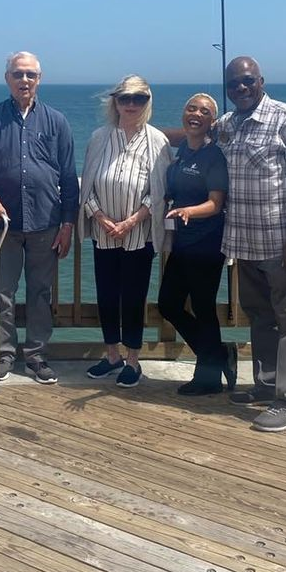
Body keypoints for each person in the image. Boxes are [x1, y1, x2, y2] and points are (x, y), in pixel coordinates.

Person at [216, 56, 286, 433]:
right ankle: (266, 385)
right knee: (261, 318)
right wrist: (146, 132)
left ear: (261, 80)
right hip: (246, 242)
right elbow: (194, 134)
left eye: (247, 81)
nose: (240, 89)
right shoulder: (227, 126)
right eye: (233, 85)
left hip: (284, 244)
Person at [0, 51, 78, 384]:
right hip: (4, 226)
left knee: (40, 293)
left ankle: (36, 355)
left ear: (39, 78)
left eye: (30, 74)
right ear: (8, 79)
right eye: (18, 74)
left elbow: (69, 177)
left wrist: (68, 225)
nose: (24, 80)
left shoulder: (56, 121)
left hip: (47, 223)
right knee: (2, 293)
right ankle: (4, 355)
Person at [78, 76, 170, 388]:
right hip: (103, 233)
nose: (131, 104)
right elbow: (87, 184)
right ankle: (112, 355)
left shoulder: (157, 141)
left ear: (148, 102)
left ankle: (133, 358)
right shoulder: (99, 137)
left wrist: (131, 221)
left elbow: (158, 192)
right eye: (125, 98)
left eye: (139, 99)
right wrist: (100, 217)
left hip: (138, 235)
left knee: (133, 297)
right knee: (106, 296)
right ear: (115, 101)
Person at [157, 93, 235, 395]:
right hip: (183, 242)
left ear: (211, 122)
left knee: (203, 308)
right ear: (183, 114)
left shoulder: (214, 156)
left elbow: (216, 203)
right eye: (191, 108)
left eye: (204, 112)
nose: (196, 114)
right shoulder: (183, 153)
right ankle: (217, 354)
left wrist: (190, 211)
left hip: (207, 243)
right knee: (168, 304)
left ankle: (209, 377)